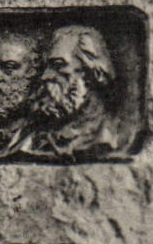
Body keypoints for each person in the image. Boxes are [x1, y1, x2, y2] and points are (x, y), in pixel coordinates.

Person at [22, 24, 128, 160]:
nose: (45, 76)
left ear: (92, 73)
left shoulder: (108, 136)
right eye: (47, 67)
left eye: (58, 65)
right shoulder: (38, 139)